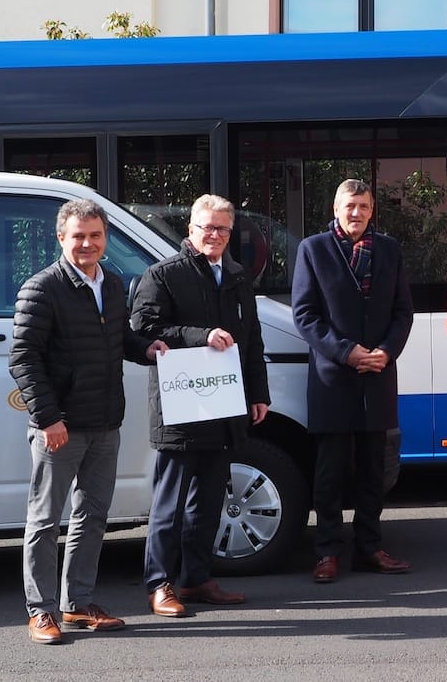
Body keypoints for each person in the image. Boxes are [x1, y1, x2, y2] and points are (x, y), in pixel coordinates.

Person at [10, 198, 166, 644]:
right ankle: (42, 610)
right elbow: (23, 358)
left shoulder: (113, 285)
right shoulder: (42, 288)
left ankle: (77, 604)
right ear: (61, 238)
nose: (87, 244)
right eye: (78, 236)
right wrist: (48, 417)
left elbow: (119, 338)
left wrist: (148, 349)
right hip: (59, 427)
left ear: (105, 238)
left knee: (92, 516)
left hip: (104, 423)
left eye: (95, 235)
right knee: (44, 520)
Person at [132, 194, 271, 615]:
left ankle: (195, 580)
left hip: (224, 405)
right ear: (190, 229)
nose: (214, 235)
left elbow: (251, 339)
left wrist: (259, 393)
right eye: (206, 227)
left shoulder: (237, 276)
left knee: (208, 502)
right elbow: (143, 330)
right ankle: (160, 584)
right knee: (170, 505)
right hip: (179, 409)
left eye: (222, 229)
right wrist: (200, 335)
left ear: (231, 234)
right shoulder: (163, 275)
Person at [290, 179, 415, 583]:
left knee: (372, 471)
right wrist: (346, 352)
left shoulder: (390, 250)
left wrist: (386, 351)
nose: (356, 212)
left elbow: (402, 313)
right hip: (332, 378)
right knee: (329, 473)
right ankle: (327, 552)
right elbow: (305, 315)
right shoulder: (313, 249)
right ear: (336, 207)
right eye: (349, 205)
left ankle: (369, 548)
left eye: (363, 205)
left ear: (372, 209)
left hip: (378, 375)